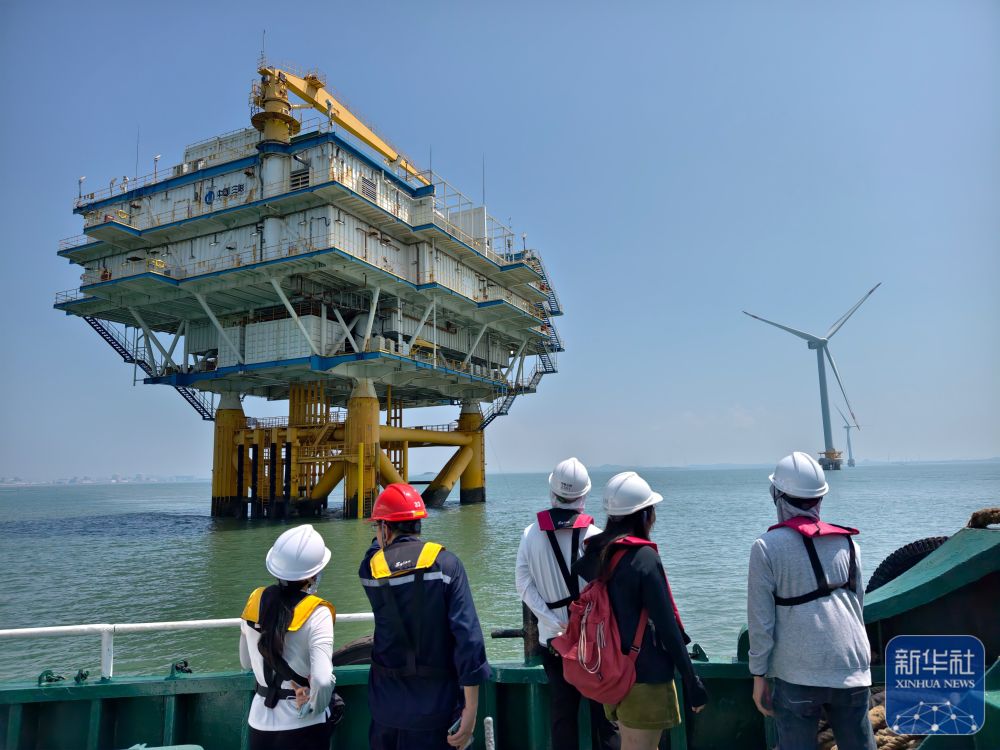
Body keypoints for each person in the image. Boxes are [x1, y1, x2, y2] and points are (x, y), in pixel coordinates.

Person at [747, 452, 876, 750]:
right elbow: (857, 607)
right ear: (820, 498)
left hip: (799, 672)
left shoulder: (766, 548)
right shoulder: (850, 545)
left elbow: (760, 620)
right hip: (852, 667)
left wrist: (758, 674)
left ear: (777, 496)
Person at [574, 472, 708, 750]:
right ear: (645, 515)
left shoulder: (599, 552)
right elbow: (667, 625)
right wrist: (691, 679)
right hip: (644, 676)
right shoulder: (643, 558)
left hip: (612, 671)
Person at [359, 483, 491, 750]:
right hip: (437, 710)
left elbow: (377, 552)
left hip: (386, 710)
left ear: (385, 530)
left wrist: (382, 531)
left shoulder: (370, 571)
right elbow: (469, 640)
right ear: (419, 524)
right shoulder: (447, 566)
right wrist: (470, 710)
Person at [515, 457, 620, 750]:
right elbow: (610, 592)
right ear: (584, 496)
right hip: (594, 642)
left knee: (562, 715)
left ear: (552, 491)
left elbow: (523, 585)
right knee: (605, 718)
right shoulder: (597, 537)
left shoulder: (530, 535)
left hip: (554, 642)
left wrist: (551, 620)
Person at [239, 524, 340, 750]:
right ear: (312, 574)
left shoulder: (255, 602)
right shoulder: (318, 612)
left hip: (259, 723)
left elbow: (246, 662)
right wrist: (312, 707)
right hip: (304, 726)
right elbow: (323, 681)